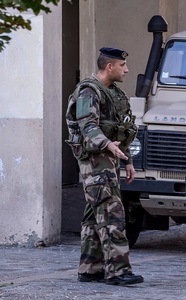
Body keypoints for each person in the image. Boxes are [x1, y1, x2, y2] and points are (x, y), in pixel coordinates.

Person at [65, 47, 144, 286]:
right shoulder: (88, 91)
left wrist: (127, 159)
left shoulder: (113, 93)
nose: (127, 70)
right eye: (122, 65)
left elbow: (119, 130)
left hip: (108, 160)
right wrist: (108, 145)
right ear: (109, 66)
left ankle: (90, 268)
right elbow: (88, 127)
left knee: (94, 214)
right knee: (112, 214)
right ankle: (118, 271)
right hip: (94, 162)